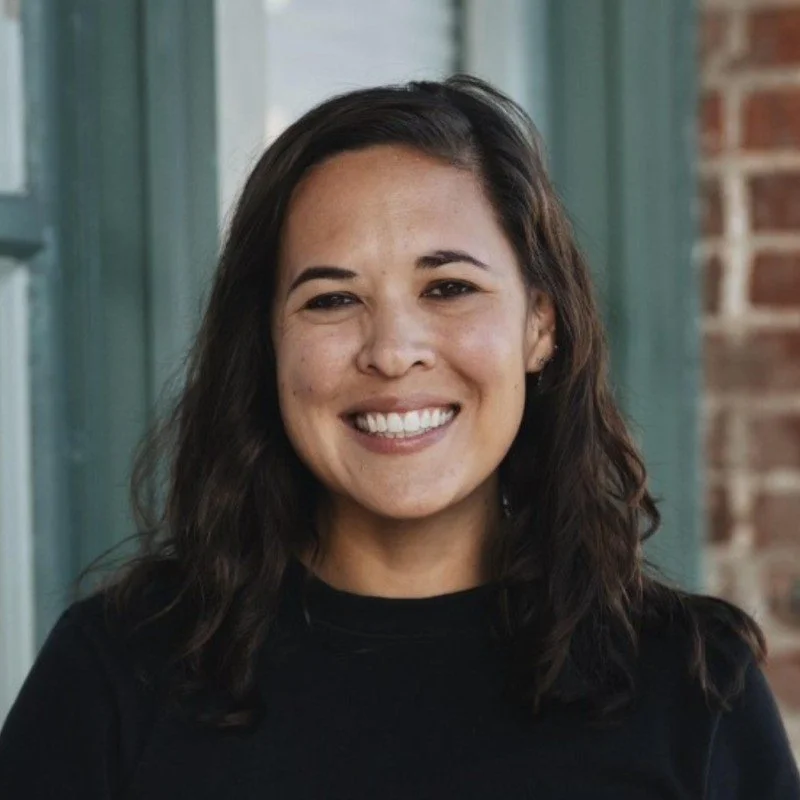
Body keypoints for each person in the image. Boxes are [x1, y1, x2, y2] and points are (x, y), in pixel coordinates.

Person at [0, 75, 798, 800]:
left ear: (539, 325)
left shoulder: (691, 686)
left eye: (448, 287)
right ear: (268, 342)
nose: (391, 351)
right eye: (330, 299)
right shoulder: (118, 673)